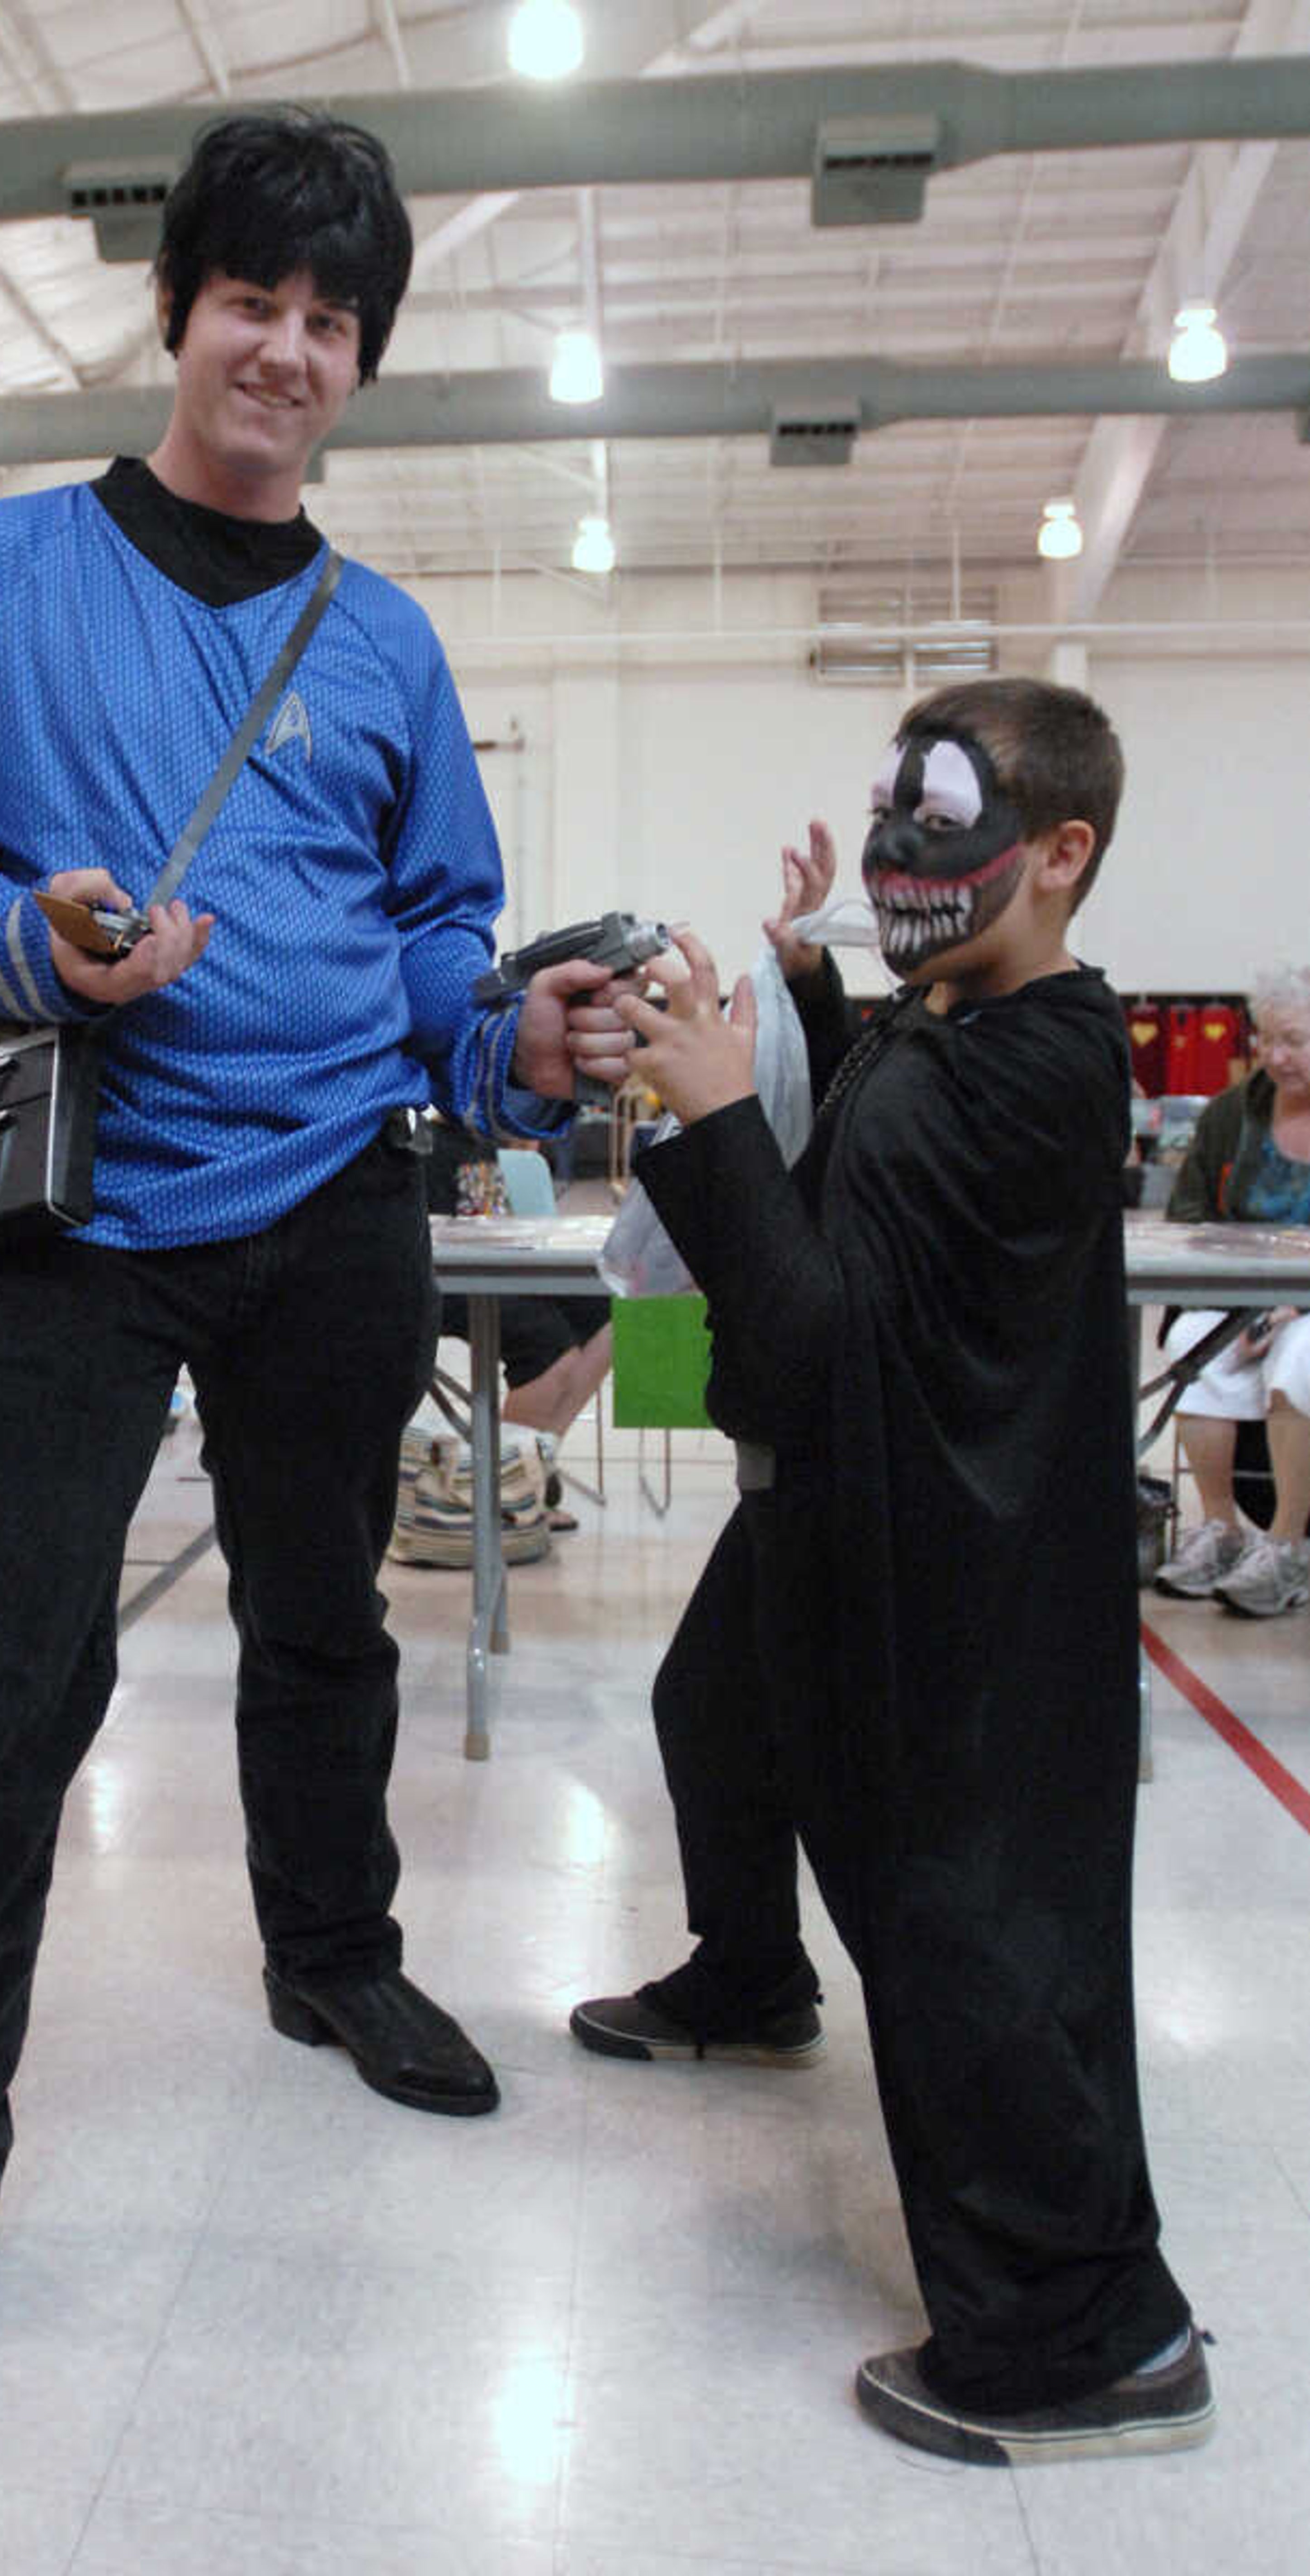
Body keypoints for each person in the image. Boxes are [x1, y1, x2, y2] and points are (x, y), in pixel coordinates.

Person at [0, 106, 633, 2440]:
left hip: (333, 1198)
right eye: (258, 300)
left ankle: (334, 1958)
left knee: (327, 1620)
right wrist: (13, 933)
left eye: (337, 322)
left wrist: (508, 1033)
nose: (292, 351)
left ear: (363, 362)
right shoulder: (0, 577)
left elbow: (445, 932)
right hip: (80, 1202)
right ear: (179, 310)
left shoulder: (392, 643)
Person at [569, 679, 1211, 2465]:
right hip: (854, 1528)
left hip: (938, 1573)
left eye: (942, 815)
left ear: (1062, 850)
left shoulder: (1035, 1064)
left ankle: (1091, 2336)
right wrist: (805, 987)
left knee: (959, 1917)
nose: (897, 850)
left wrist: (702, 1121)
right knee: (720, 1706)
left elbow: (812, 1335)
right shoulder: (972, 1023)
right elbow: (884, 1148)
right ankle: (747, 1973)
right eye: (891, 810)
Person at [1151, 965, 1310, 1617]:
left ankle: (1288, 1545)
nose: (1275, 1056)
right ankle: (1220, 1529)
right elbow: (1189, 1216)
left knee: (1301, 1352)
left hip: (1301, 1309)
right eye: (1267, 1040)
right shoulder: (1230, 1113)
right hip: (1240, 1296)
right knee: (1193, 1339)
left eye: (1294, 1040)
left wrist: (1290, 1305)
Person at [425, 1114, 612, 1526]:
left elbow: (486, 1224)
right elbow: (467, 1235)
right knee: (549, 1350)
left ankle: (534, 1467)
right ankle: (500, 1491)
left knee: (603, 1315)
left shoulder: (477, 1144)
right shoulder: (438, 1144)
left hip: (483, 1263)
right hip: (442, 1281)